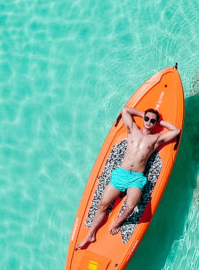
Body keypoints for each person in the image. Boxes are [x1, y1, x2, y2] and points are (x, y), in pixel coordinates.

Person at [76, 106, 181, 249]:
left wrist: (160, 122)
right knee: (102, 205)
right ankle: (91, 234)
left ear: (155, 123)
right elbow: (125, 110)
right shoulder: (133, 130)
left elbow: (176, 131)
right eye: (147, 118)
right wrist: (142, 113)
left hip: (136, 178)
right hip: (121, 174)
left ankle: (119, 221)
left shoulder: (155, 139)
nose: (149, 122)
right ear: (143, 118)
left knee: (131, 205)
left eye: (152, 121)